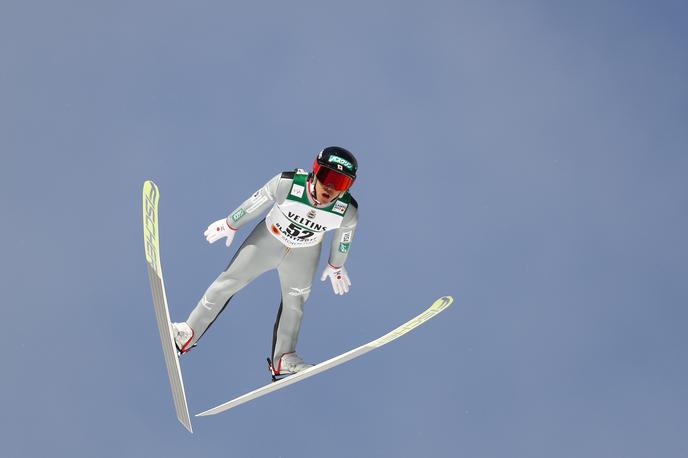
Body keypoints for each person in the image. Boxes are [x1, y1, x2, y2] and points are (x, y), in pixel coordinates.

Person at [172, 146, 359, 376]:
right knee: (229, 281)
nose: (330, 187)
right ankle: (187, 333)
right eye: (327, 177)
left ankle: (284, 358)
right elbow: (258, 200)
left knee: (295, 302)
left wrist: (336, 264)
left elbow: (346, 234)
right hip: (269, 240)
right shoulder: (289, 184)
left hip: (304, 252)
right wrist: (231, 223)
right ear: (315, 171)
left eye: (340, 183)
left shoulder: (346, 210)